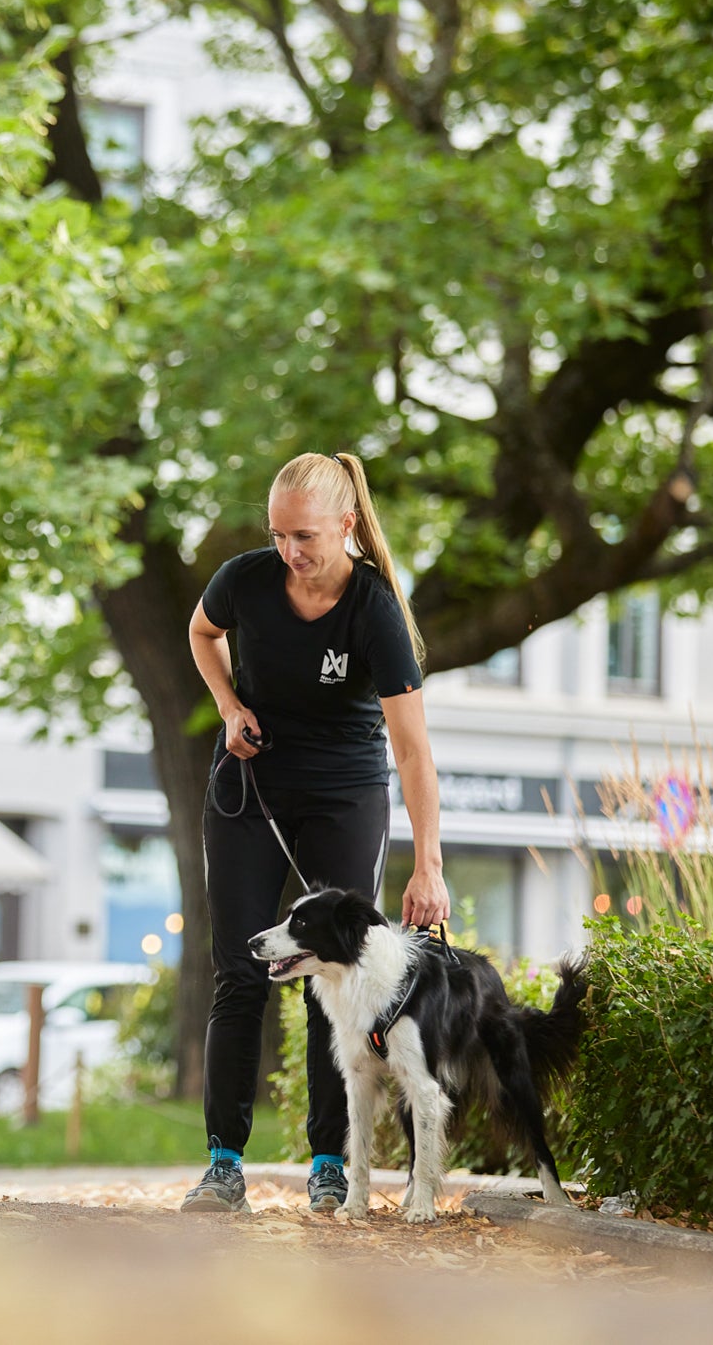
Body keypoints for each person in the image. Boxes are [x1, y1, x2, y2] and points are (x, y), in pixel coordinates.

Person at [179, 451, 449, 1213]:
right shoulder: (244, 580)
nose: (289, 551)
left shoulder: (374, 608)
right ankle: (223, 1163)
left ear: (346, 525)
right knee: (240, 971)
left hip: (343, 795)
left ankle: (329, 1161)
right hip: (251, 789)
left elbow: (413, 751)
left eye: (305, 536)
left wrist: (428, 865)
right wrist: (230, 706)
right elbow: (202, 631)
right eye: (278, 535)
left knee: (333, 974)